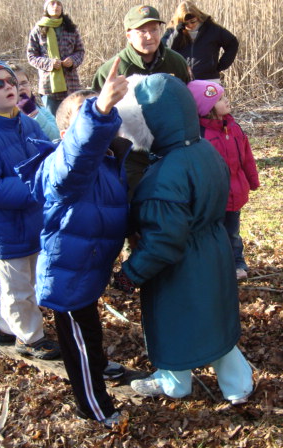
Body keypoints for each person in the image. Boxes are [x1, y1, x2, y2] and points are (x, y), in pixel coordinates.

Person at [111, 74, 253, 405]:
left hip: (180, 269)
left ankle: (175, 382)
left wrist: (131, 272)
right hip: (214, 251)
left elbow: (163, 241)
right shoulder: (204, 148)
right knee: (214, 320)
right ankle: (238, 386)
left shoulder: (163, 175)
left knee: (174, 323)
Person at [15, 59, 130, 428]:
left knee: (90, 332)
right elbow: (79, 153)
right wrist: (98, 110)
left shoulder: (110, 161)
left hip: (86, 268)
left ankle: (98, 367)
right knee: (78, 343)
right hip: (67, 276)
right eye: (87, 116)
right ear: (69, 130)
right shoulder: (62, 166)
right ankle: (94, 407)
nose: (102, 116)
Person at [0, 60, 60, 359]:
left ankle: (8, 327)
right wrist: (38, 186)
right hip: (4, 229)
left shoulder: (26, 122)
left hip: (31, 222)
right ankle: (29, 338)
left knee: (22, 280)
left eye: (10, 81)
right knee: (19, 287)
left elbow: (47, 156)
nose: (8, 87)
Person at [92, 5, 191, 194]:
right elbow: (95, 115)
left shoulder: (176, 62)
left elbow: (188, 104)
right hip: (130, 156)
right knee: (136, 203)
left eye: (154, 29)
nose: (149, 36)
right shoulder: (111, 70)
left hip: (170, 149)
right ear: (128, 35)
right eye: (142, 31)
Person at [187, 80, 259, 280]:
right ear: (206, 107)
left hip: (235, 193)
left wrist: (252, 180)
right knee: (210, 234)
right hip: (212, 198)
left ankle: (237, 263)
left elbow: (247, 156)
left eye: (224, 96)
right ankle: (211, 264)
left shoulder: (234, 127)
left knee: (232, 232)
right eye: (220, 99)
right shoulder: (199, 136)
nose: (226, 101)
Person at [27, 0, 85, 116]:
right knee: (54, 124)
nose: (56, 6)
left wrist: (73, 60)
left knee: (73, 119)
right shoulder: (38, 30)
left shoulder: (71, 28)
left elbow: (80, 51)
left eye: (58, 4)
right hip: (49, 87)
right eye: (52, 3)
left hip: (71, 84)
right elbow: (31, 56)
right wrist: (50, 63)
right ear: (46, 8)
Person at [162, 1, 239, 83]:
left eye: (193, 21)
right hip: (182, 81)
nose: (190, 25)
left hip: (209, 80)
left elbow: (232, 43)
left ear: (198, 17)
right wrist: (177, 33)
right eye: (186, 23)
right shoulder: (173, 32)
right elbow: (165, 49)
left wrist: (220, 66)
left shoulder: (211, 28)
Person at [9, 63, 59, 141]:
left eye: (24, 83)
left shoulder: (41, 110)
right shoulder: (5, 117)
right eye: (15, 85)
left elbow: (56, 137)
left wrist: (35, 115)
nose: (21, 88)